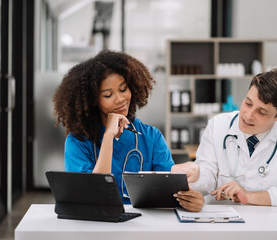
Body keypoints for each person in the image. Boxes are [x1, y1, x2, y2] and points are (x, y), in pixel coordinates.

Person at [53, 50, 203, 211]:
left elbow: (169, 192)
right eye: (108, 95)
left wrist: (193, 200)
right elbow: (92, 196)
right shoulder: (77, 142)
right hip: (95, 227)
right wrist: (109, 136)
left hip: (142, 227)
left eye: (123, 89)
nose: (120, 99)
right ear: (93, 101)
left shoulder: (151, 137)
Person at [172, 68, 277, 207]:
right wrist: (197, 173)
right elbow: (208, 176)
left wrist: (249, 196)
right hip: (223, 223)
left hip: (273, 224)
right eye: (248, 103)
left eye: (262, 112)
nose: (248, 115)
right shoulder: (218, 125)